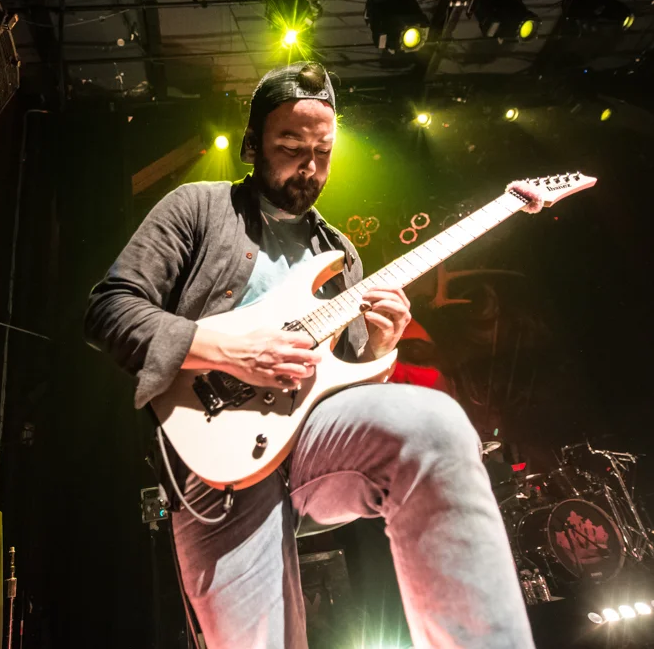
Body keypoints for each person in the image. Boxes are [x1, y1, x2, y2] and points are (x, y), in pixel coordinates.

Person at [85, 61, 534, 649]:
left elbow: (351, 382)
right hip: (214, 457)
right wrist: (232, 351)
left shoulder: (340, 253)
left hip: (316, 443)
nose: (310, 166)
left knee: (435, 424)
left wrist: (380, 344)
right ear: (253, 143)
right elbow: (109, 309)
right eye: (291, 147)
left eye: (323, 151)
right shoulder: (197, 207)